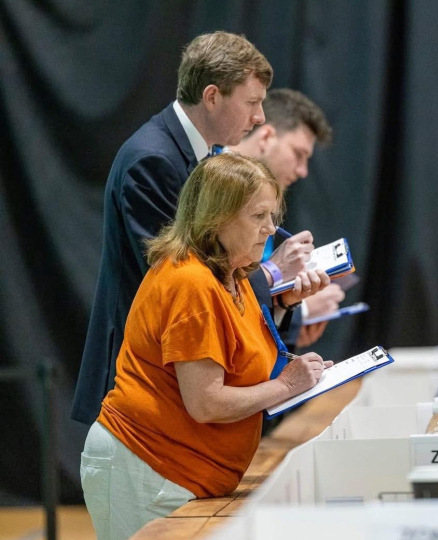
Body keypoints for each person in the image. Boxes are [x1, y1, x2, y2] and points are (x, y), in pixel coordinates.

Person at [73, 32, 329, 426]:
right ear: (212, 96)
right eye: (252, 102)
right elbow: (181, 279)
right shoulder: (153, 160)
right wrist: (273, 273)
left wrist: (281, 298)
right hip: (138, 385)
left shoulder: (197, 155)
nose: (260, 117)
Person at [80, 154, 332, 540]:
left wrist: (287, 319)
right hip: (145, 464)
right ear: (217, 218)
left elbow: (242, 359)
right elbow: (206, 403)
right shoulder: (191, 283)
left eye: (272, 216)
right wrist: (286, 386)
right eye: (258, 217)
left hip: (179, 470)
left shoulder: (234, 275)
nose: (271, 229)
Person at [229, 88, 345, 348]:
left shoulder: (261, 194)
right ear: (268, 136)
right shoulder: (212, 188)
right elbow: (210, 290)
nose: (303, 171)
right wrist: (275, 271)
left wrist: (287, 311)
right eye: (298, 154)